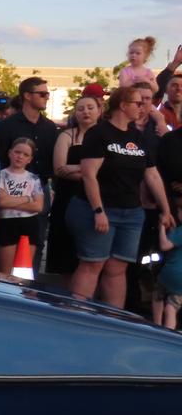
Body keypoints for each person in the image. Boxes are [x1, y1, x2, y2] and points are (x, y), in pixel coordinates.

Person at [67, 87, 173, 308]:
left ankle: (113, 317)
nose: (142, 107)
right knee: (92, 264)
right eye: (137, 103)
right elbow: (89, 175)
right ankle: (76, 315)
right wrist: (98, 211)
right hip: (97, 208)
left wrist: (165, 209)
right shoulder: (99, 133)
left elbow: (151, 174)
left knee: (118, 268)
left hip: (131, 211)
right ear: (123, 106)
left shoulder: (138, 137)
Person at [0, 76, 59, 274]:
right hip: (8, 186)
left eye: (48, 93)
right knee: (6, 249)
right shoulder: (7, 126)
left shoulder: (49, 127)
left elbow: (51, 161)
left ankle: (30, 289)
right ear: (27, 96)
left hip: (39, 188)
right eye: (43, 93)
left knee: (36, 243)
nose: (47, 97)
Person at [49, 96, 101, 278]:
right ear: (75, 113)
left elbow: (111, 170)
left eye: (90, 107)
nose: (85, 111)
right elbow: (59, 169)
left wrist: (77, 169)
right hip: (67, 199)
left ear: (99, 111)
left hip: (97, 200)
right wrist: (90, 172)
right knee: (64, 255)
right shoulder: (67, 135)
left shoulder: (106, 136)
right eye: (80, 108)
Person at [0, 138, 46, 274]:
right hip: (6, 223)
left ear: (30, 159)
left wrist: (11, 200)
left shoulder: (33, 178)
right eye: (17, 152)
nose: (20, 156)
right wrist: (27, 198)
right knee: (4, 272)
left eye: (25, 155)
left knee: (22, 272)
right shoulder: (0, 175)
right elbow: (1, 202)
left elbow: (38, 207)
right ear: (10, 153)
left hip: (29, 224)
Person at [155, 219, 182, 328]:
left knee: (157, 294)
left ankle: (156, 324)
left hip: (172, 273)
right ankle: (168, 336)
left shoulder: (181, 231)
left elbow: (165, 245)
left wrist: (161, 228)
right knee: (171, 308)